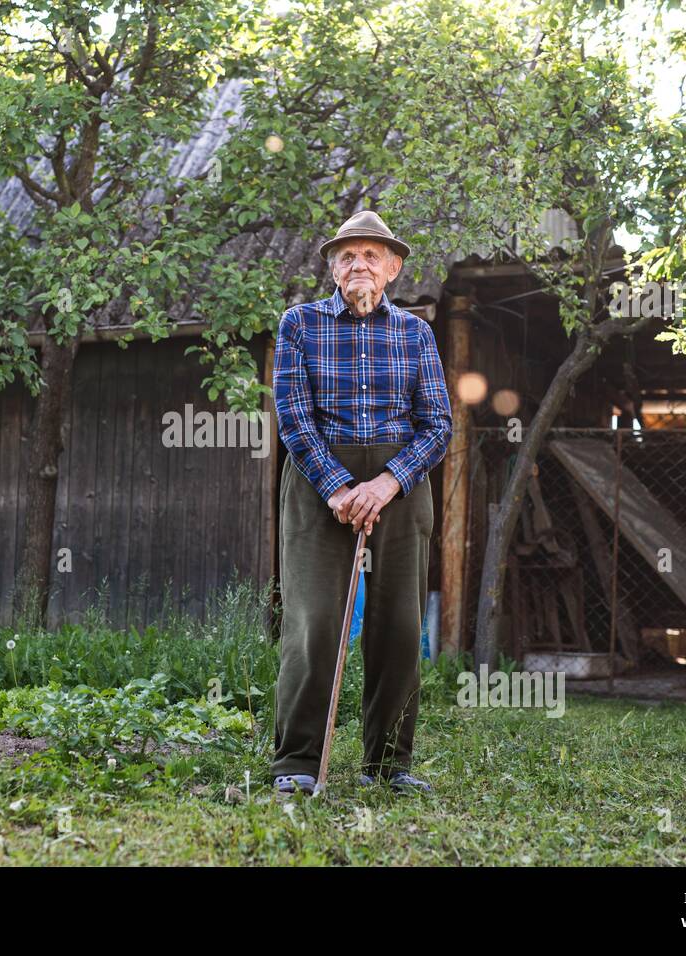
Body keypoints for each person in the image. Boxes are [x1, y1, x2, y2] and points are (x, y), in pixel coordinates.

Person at [271, 210, 452, 796]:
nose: (358, 264)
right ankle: (297, 761)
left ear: (394, 268)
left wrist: (385, 483)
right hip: (318, 483)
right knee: (313, 622)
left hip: (399, 487)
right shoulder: (299, 324)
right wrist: (339, 487)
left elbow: (437, 425)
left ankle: (389, 765)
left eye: (372, 254)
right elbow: (293, 416)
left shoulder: (417, 333)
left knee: (398, 626)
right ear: (331, 267)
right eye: (347, 254)